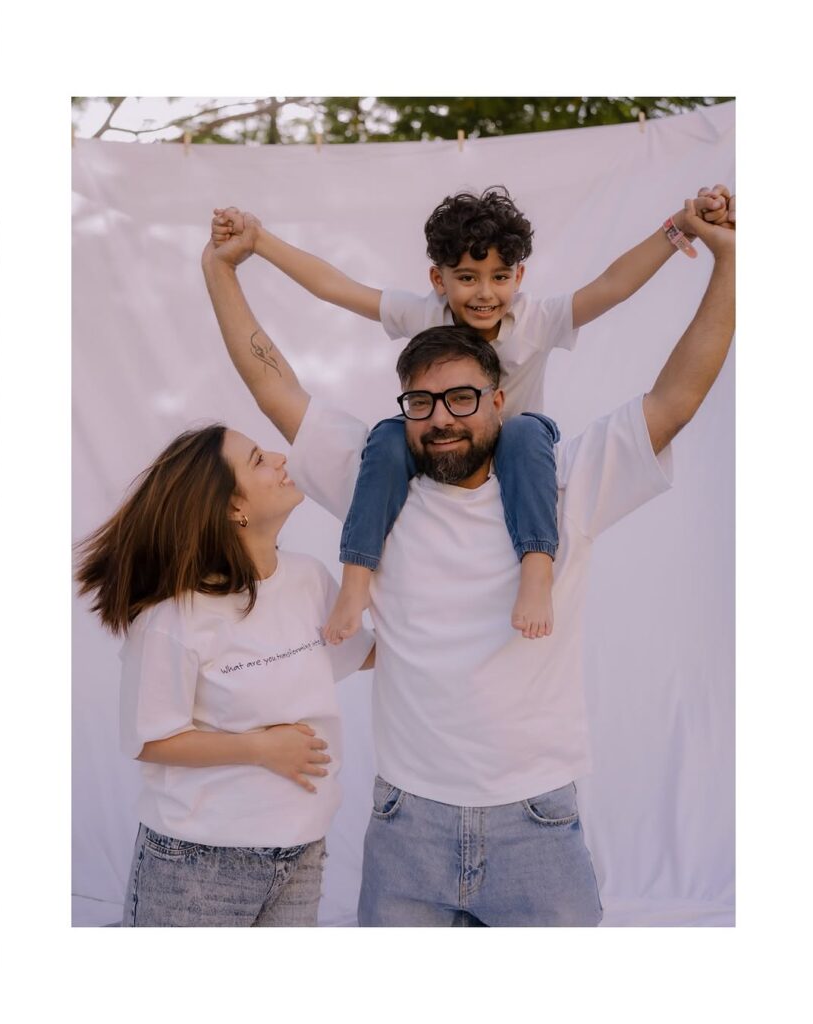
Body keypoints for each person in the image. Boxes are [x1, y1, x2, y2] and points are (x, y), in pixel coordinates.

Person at [201, 194, 735, 926]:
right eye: (421, 404)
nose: (442, 418)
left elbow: (676, 397)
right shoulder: (375, 481)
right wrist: (224, 268)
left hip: (535, 821)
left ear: (497, 400)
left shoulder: (563, 483)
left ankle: (534, 564)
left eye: (462, 399)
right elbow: (273, 385)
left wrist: (728, 262)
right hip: (406, 823)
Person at [211, 184, 730, 644]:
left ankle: (536, 566)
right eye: (467, 277)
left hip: (519, 451)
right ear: (438, 279)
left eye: (500, 277)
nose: (485, 294)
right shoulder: (424, 313)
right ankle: (357, 575)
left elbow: (613, 284)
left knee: (523, 432)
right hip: (439, 448)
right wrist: (260, 241)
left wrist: (678, 227)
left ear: (519, 275)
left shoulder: (538, 319)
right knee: (386, 439)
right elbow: (336, 287)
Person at [75, 424, 374, 926]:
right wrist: (261, 748)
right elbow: (150, 739)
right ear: (234, 507)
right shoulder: (174, 619)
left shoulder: (307, 578)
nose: (280, 457)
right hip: (198, 862)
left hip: (303, 849)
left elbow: (360, 653)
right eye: (257, 459)